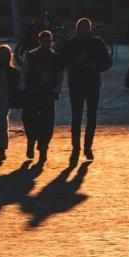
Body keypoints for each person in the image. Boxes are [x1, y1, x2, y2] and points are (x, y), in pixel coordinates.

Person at [60, 17, 112, 162]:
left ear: (89, 29)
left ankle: (87, 147)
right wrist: (75, 61)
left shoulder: (97, 43)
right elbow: (62, 61)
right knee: (77, 117)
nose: (82, 31)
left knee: (91, 117)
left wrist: (95, 66)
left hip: (92, 84)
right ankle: (76, 148)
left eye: (84, 28)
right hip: (77, 84)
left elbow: (107, 62)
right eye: (80, 28)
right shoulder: (71, 44)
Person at [22, 30, 63, 162]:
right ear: (40, 41)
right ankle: (31, 141)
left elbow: (59, 76)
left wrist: (56, 91)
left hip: (47, 94)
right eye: (45, 41)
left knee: (48, 122)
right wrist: (24, 90)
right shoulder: (30, 56)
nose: (48, 44)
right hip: (32, 92)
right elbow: (24, 73)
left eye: (49, 41)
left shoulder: (56, 58)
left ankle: (43, 147)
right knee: (29, 120)